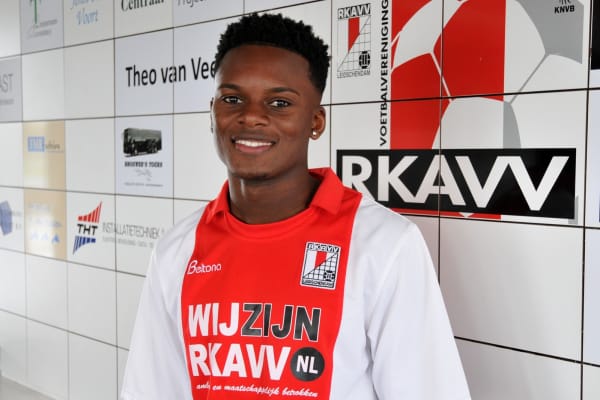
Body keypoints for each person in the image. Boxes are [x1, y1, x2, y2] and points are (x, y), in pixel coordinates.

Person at [121, 13, 471, 400]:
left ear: (315, 122)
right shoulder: (176, 251)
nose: (251, 116)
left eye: (279, 103)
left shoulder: (384, 244)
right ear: (212, 112)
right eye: (232, 99)